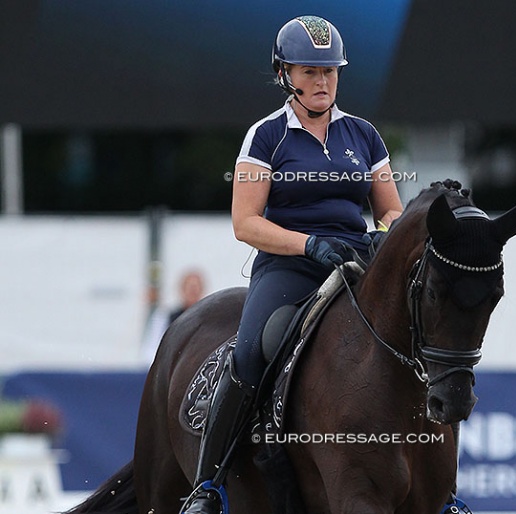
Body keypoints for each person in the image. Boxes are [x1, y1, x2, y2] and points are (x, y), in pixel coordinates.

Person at [181, 15, 470, 514]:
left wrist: (386, 239)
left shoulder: (365, 135)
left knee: (425, 343)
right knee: (252, 351)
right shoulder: (265, 136)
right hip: (289, 267)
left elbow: (391, 212)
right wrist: (308, 245)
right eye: (310, 71)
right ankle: (209, 484)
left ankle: (441, 492)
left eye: (330, 71)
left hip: (358, 264)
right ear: (285, 74)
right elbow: (245, 222)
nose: (322, 82)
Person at [141, 269, 206, 364]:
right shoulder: (166, 318)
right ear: (182, 290)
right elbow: (152, 349)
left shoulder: (208, 319)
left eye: (196, 288)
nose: (193, 292)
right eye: (190, 288)